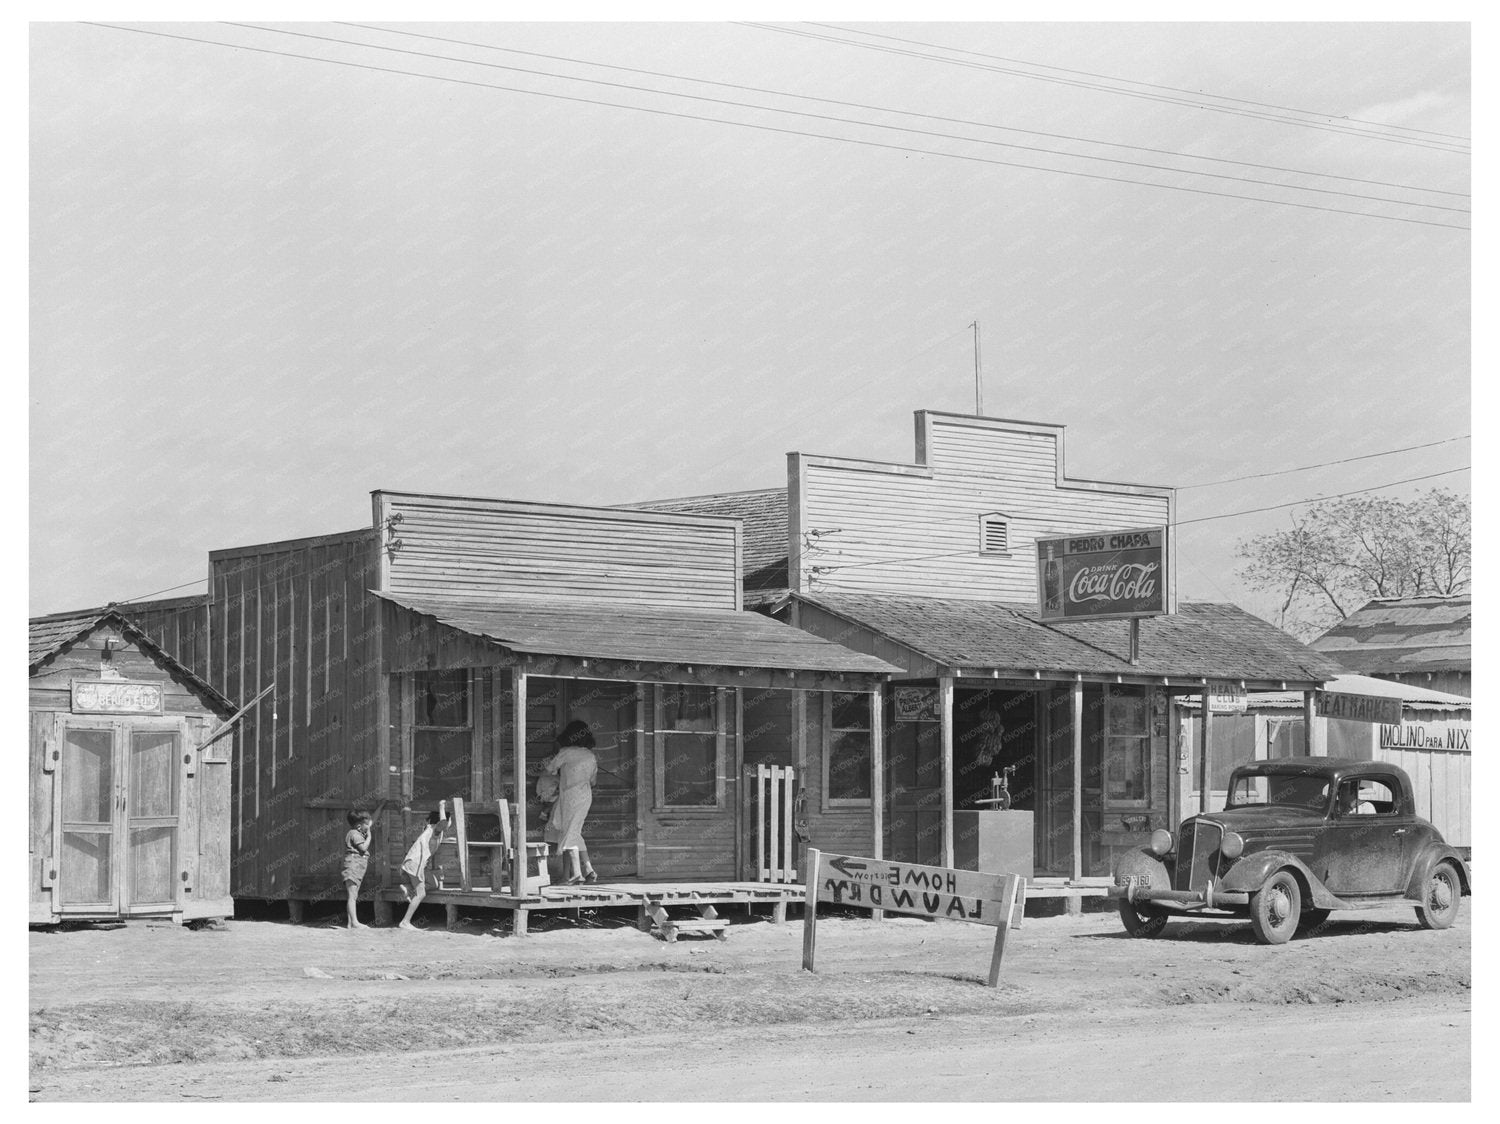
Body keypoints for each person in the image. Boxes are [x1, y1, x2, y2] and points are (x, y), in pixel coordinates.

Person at [544, 720, 599, 885]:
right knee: (573, 831)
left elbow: (549, 768)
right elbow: (593, 782)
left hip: (570, 797)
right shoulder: (590, 755)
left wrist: (547, 761)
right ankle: (588, 870)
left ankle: (577, 874)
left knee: (570, 832)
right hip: (585, 796)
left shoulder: (565, 752)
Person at [398, 802, 448, 930]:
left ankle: (408, 888)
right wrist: (441, 807)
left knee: (434, 884)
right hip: (416, 863)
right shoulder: (435, 829)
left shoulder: (429, 829)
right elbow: (443, 823)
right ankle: (405, 922)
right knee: (421, 894)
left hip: (415, 863)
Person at [341, 810, 373, 929]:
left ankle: (350, 923)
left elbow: (371, 821)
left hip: (357, 867)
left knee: (353, 896)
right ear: (359, 826)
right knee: (352, 896)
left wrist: (381, 806)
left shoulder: (357, 831)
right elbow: (363, 848)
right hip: (353, 866)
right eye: (367, 825)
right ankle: (355, 922)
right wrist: (369, 836)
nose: (368, 827)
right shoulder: (355, 834)